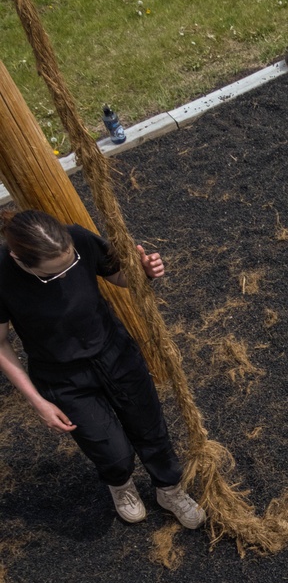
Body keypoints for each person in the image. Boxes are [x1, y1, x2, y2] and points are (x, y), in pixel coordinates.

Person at [0, 209, 204, 527]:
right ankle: (121, 485)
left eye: (71, 266)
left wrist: (145, 272)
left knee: (150, 429)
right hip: (63, 376)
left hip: (115, 352)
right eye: (52, 276)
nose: (65, 278)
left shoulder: (79, 239)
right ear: (19, 259)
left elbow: (119, 277)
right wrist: (37, 401)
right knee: (112, 452)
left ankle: (169, 488)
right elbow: (0, 344)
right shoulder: (2, 274)